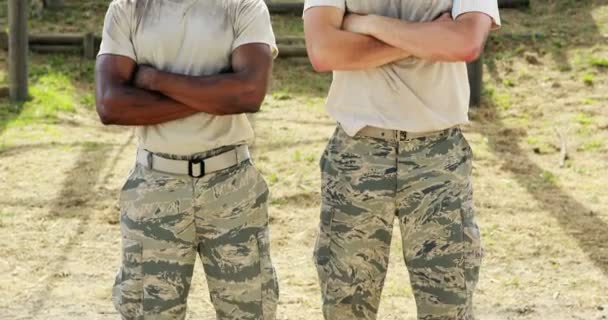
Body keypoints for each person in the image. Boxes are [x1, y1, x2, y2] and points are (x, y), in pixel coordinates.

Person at [303, 1, 500, 319]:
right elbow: (325, 51)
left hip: (437, 157)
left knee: (448, 302)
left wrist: (369, 24)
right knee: (346, 303)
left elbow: (463, 43)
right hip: (358, 155)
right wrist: (430, 38)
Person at [95, 1, 279, 319]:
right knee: (148, 312)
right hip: (155, 186)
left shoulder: (244, 6)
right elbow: (112, 105)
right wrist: (216, 94)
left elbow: (249, 93)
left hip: (231, 184)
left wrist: (155, 80)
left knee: (249, 311)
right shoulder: (127, 8)